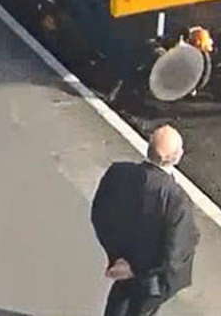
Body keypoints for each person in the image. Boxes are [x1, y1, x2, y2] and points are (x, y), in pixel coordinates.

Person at [91, 125, 199, 316]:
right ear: (176, 156)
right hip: (151, 279)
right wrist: (136, 269)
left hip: (121, 266)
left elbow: (100, 214)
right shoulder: (176, 200)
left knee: (117, 305)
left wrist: (117, 258)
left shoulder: (118, 173)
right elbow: (176, 251)